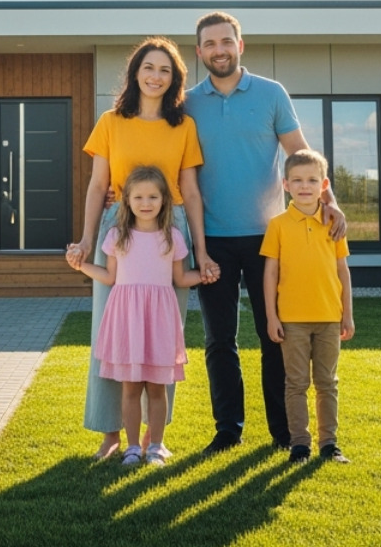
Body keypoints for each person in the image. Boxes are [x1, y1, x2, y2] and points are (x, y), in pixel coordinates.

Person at [186, 11, 344, 453]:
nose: (219, 50)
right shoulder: (187, 104)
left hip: (269, 240)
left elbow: (300, 155)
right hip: (212, 239)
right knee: (219, 341)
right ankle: (227, 430)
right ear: (199, 52)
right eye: (210, 44)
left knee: (275, 336)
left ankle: (283, 432)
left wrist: (331, 202)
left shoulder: (272, 94)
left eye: (226, 41)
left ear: (240, 45)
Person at [65, 37, 220, 460]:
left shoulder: (183, 126)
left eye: (165, 70)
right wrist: (86, 238)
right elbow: (98, 185)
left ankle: (155, 439)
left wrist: (202, 251)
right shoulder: (111, 121)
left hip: (171, 230)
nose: (156, 76)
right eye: (149, 67)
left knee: (162, 339)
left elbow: (190, 190)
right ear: (135, 73)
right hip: (119, 229)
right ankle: (111, 433)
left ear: (175, 80)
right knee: (111, 334)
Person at [69, 165, 203, 465]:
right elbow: (109, 277)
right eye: (139, 197)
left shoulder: (172, 237)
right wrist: (81, 266)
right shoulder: (117, 236)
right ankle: (131, 447)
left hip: (159, 322)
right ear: (126, 200)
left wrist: (206, 274)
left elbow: (181, 279)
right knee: (129, 388)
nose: (146, 203)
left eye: (153, 197)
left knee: (157, 387)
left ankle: (155, 446)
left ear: (164, 200)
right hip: (128, 321)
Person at [262, 149, 354, 464]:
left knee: (327, 383)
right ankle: (300, 444)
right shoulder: (278, 225)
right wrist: (272, 317)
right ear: (285, 184)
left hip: (329, 318)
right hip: (292, 321)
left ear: (324, 185)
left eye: (312, 180)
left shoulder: (333, 223)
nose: (305, 186)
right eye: (298, 180)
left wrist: (347, 315)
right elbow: (270, 274)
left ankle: (330, 444)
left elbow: (343, 272)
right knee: (296, 384)